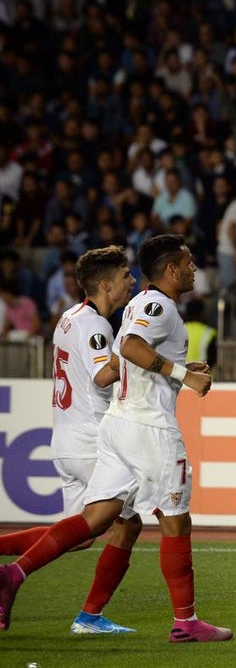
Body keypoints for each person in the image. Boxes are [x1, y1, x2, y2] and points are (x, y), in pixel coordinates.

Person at [0, 235, 231, 642]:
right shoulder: (151, 307)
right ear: (172, 269)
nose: (195, 268)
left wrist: (176, 365)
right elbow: (127, 348)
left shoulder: (132, 306)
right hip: (142, 428)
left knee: (97, 523)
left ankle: (17, 575)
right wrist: (185, 376)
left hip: (114, 425)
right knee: (174, 519)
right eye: (189, 261)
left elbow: (128, 354)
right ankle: (186, 621)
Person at [0, 246, 139, 634]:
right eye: (127, 276)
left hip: (65, 438)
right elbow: (101, 376)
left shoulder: (68, 318)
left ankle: (12, 566)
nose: (132, 283)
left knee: (78, 535)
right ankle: (86, 614)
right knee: (127, 523)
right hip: (92, 440)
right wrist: (141, 354)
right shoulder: (96, 326)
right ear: (106, 284)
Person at [183, 299, 217, 368]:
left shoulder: (179, 329)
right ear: (202, 313)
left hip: (182, 374)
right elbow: (213, 358)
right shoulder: (209, 332)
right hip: (203, 374)